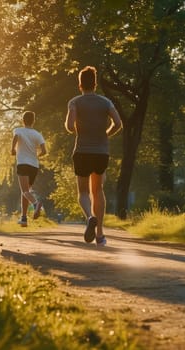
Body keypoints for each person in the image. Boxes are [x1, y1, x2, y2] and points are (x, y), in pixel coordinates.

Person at [65, 66, 123, 246]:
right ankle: (100, 234)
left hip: (82, 151)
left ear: (80, 83)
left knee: (82, 192)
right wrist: (105, 133)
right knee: (97, 191)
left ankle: (90, 217)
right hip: (101, 152)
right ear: (95, 83)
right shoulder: (106, 102)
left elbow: (69, 125)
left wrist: (80, 130)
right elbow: (118, 123)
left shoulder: (74, 102)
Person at [11, 111, 47, 227]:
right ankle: (24, 218)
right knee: (25, 192)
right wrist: (37, 156)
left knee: (25, 191)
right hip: (34, 166)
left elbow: (15, 138)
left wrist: (12, 149)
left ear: (23, 120)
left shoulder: (18, 130)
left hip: (23, 164)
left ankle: (36, 204)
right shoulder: (37, 134)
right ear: (33, 121)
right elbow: (44, 151)